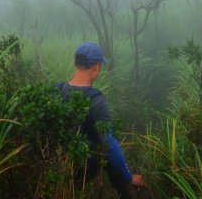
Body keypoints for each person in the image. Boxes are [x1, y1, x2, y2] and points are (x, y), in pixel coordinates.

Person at [56, 42, 144, 198]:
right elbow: (109, 144)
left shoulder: (58, 89)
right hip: (83, 173)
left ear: (75, 63)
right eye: (100, 67)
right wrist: (128, 177)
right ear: (96, 67)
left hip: (57, 169)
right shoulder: (96, 101)